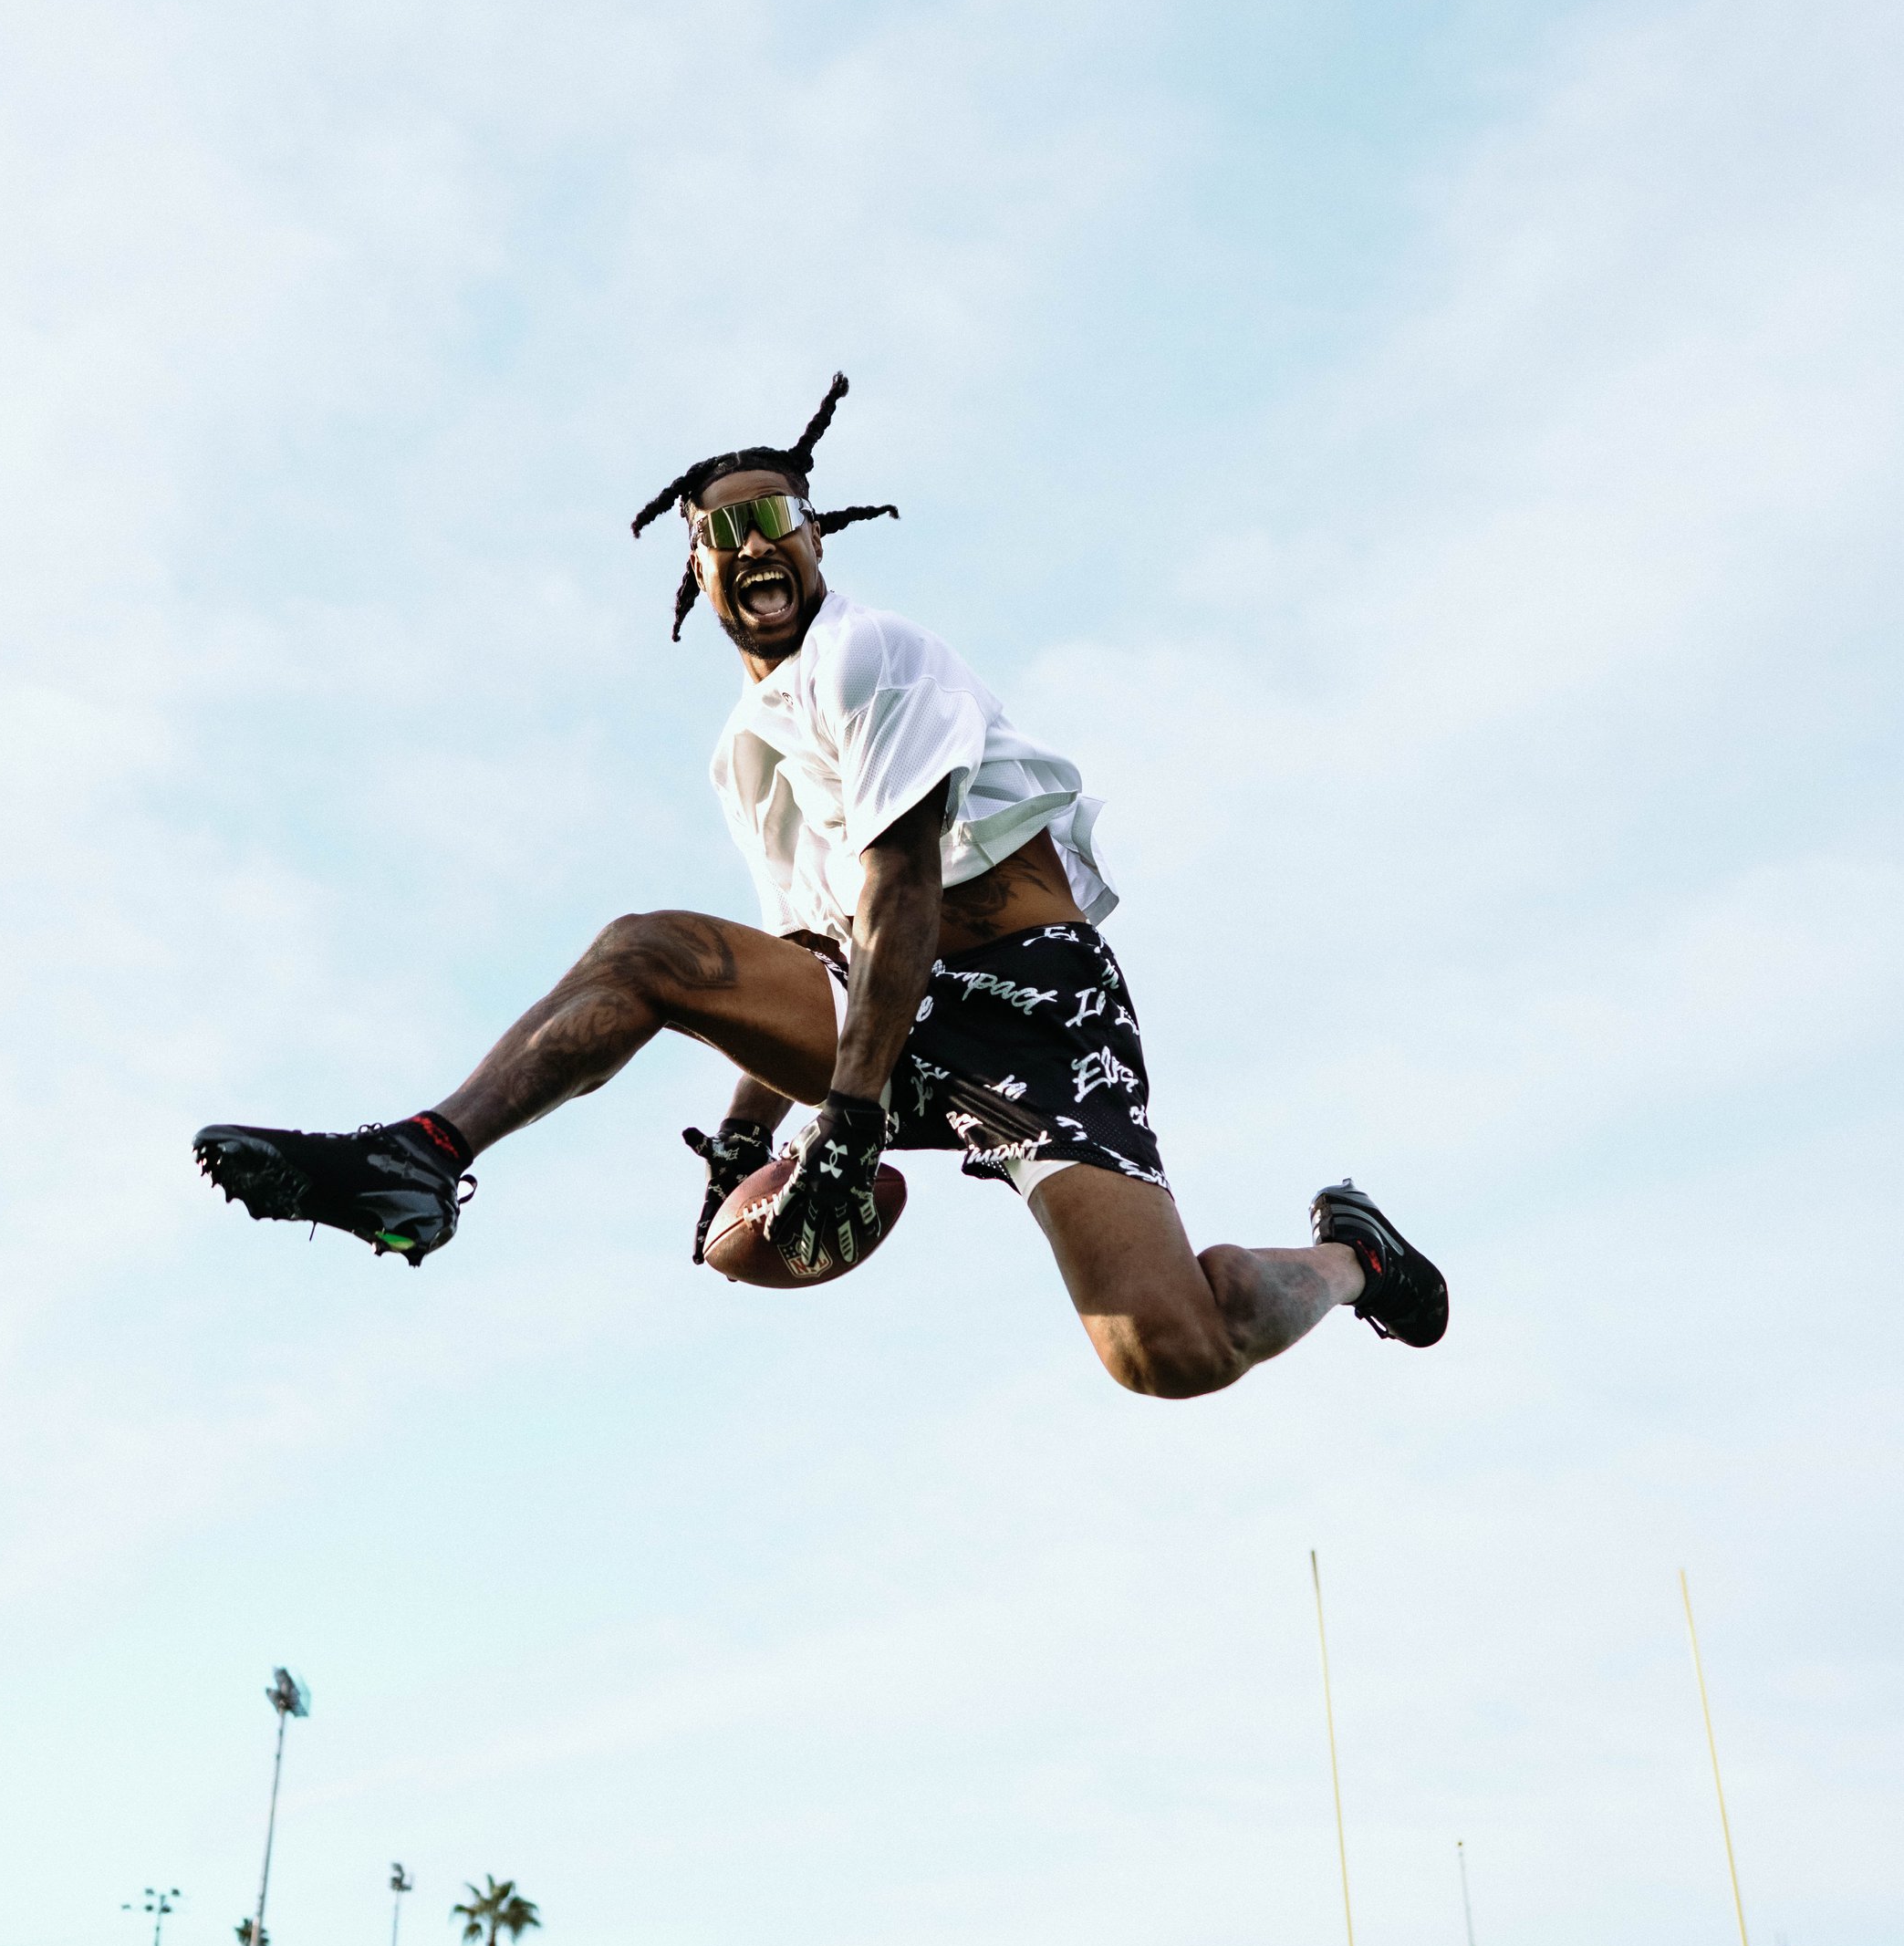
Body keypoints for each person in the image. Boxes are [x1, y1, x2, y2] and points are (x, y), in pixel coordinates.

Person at [195, 376, 1446, 1395]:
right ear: (697, 575)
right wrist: (744, 1137)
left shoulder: (871, 656)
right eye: (720, 533)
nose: (753, 546)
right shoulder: (742, 752)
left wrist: (842, 1121)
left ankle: (1348, 1256)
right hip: (890, 1012)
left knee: (1171, 1352)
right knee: (649, 954)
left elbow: (898, 891)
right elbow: (817, 942)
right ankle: (421, 1153)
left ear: (816, 534)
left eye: (774, 519)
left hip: (1038, 1009)